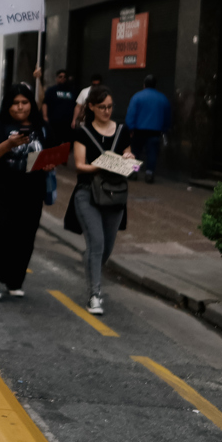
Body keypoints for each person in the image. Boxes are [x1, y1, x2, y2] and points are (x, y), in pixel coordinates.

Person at [0, 83, 54, 301]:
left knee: (25, 235)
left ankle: (15, 281)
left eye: (25, 102)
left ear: (31, 104)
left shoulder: (42, 128)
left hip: (32, 190)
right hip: (0, 188)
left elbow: (50, 153)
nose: (20, 107)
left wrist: (50, 163)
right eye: (15, 103)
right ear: (7, 105)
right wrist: (8, 144)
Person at [66, 85, 134, 316]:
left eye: (110, 107)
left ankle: (90, 265)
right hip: (87, 193)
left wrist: (129, 159)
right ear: (91, 107)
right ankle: (95, 295)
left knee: (106, 248)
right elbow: (80, 165)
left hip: (115, 195)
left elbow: (129, 162)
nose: (107, 111)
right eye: (102, 107)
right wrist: (103, 163)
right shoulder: (83, 132)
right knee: (96, 243)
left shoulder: (122, 130)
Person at [125, 75, 172, 183]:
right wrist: (165, 129)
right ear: (155, 85)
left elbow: (131, 113)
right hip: (155, 131)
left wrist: (130, 128)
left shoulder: (137, 97)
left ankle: (134, 172)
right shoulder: (163, 98)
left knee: (135, 152)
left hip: (138, 130)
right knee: (152, 153)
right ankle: (149, 173)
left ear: (144, 84)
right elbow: (167, 116)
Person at [41, 69, 76, 147]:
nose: (62, 78)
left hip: (68, 124)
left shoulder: (72, 91)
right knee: (53, 144)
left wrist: (75, 119)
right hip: (54, 123)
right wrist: (45, 116)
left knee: (68, 145)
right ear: (56, 78)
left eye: (64, 77)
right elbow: (45, 103)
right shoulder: (51, 90)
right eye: (60, 77)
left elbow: (77, 106)